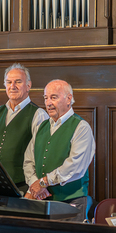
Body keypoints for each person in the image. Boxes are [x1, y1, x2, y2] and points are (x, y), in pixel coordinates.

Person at [23, 79, 95, 222]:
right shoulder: (41, 127)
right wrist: (34, 184)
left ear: (68, 99)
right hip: (42, 201)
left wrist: (43, 182)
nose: (48, 102)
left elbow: (75, 166)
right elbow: (28, 160)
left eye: (53, 97)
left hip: (71, 203)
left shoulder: (81, 127)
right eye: (46, 98)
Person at [0, 63, 48, 194]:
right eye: (9, 82)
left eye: (18, 82)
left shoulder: (38, 114)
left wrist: (32, 188)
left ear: (28, 85)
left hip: (22, 187)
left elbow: (40, 157)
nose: (13, 86)